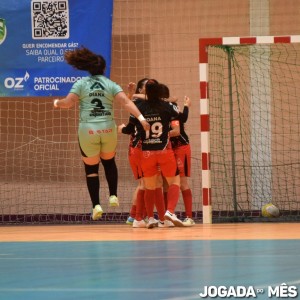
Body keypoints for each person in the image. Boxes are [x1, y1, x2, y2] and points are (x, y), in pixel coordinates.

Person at [53, 46, 149, 221]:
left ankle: (96, 205)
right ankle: (113, 195)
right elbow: (126, 102)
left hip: (88, 130)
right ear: (103, 69)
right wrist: (141, 118)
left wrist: (57, 103)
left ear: (88, 68)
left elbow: (68, 103)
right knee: (109, 162)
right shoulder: (110, 84)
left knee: (91, 168)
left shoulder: (81, 84)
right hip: (107, 128)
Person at [131, 80, 184, 228]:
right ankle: (170, 211)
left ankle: (150, 218)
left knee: (149, 187)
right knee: (174, 182)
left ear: (145, 92)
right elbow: (178, 116)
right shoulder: (167, 106)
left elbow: (131, 114)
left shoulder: (139, 106)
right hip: (164, 151)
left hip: (146, 152)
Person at [166, 96, 195, 226]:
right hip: (166, 149)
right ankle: (166, 217)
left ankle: (189, 217)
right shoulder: (156, 108)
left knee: (182, 182)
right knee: (165, 183)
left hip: (180, 147)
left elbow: (181, 120)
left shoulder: (171, 106)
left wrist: (186, 106)